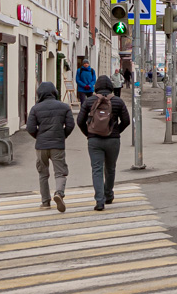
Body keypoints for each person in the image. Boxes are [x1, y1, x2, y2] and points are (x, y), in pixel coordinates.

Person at [79, 74, 131, 211]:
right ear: (110, 86)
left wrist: (89, 134)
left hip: (94, 140)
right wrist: (116, 131)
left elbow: (79, 121)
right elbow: (126, 121)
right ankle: (108, 195)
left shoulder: (89, 101)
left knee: (97, 169)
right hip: (113, 140)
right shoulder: (118, 101)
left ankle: (99, 201)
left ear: (96, 87)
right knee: (110, 168)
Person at [26, 80, 75, 211]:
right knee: (60, 173)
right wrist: (62, 135)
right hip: (57, 145)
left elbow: (30, 127)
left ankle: (45, 202)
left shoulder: (35, 108)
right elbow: (71, 125)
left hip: (41, 146)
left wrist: (39, 136)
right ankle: (59, 193)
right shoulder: (64, 107)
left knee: (43, 174)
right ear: (55, 92)